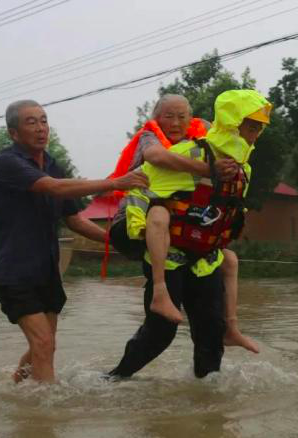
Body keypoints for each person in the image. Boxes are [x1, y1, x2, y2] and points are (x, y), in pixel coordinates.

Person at [107, 89, 271, 379]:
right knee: (161, 332)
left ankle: (209, 401)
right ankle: (116, 378)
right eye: (251, 127)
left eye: (182, 116)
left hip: (204, 255)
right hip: (166, 251)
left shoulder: (244, 168)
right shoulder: (178, 152)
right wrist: (139, 227)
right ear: (233, 125)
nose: (256, 134)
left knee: (211, 330)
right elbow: (145, 177)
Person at [0, 99, 148, 384]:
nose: (41, 128)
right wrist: (114, 183)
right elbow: (52, 188)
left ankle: (18, 390)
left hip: (47, 269)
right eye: (31, 122)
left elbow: (75, 220)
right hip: (14, 270)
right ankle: (47, 414)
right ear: (14, 133)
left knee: (46, 343)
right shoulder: (8, 163)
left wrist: (119, 243)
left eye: (44, 120)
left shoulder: (52, 164)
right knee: (44, 343)